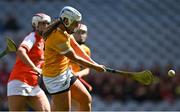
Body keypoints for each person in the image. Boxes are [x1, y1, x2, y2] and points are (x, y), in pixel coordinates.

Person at [42, 6, 105, 111]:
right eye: (75, 23)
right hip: (55, 78)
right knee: (65, 110)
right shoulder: (57, 37)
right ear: (66, 21)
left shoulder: (65, 31)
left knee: (86, 100)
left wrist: (95, 63)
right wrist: (95, 67)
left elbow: (77, 48)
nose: (77, 26)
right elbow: (76, 58)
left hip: (65, 72)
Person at [7, 13, 51, 111]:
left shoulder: (43, 42)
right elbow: (21, 51)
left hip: (33, 85)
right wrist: (34, 68)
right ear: (35, 25)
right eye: (43, 24)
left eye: (47, 24)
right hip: (19, 81)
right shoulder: (32, 36)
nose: (46, 26)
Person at [70, 24, 92, 110]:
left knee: (84, 103)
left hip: (75, 81)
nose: (81, 35)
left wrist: (78, 74)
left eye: (83, 33)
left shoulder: (86, 50)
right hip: (62, 79)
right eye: (78, 32)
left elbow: (87, 69)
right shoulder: (66, 45)